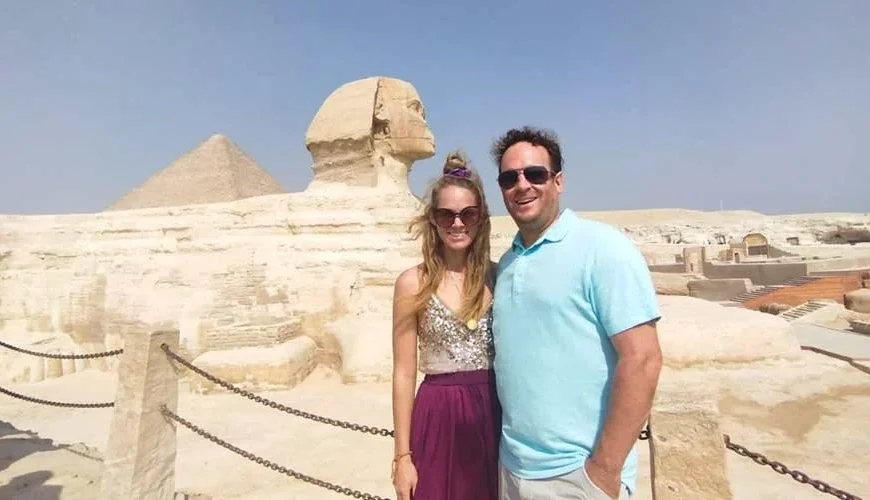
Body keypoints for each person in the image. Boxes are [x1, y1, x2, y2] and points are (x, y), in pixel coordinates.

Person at [489, 126, 663, 500]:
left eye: (535, 174)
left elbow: (643, 358)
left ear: (558, 181)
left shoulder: (603, 248)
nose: (522, 185)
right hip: (512, 470)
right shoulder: (506, 263)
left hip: (577, 475)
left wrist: (604, 469)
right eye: (509, 178)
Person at [390, 150, 501, 500]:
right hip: (437, 416)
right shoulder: (412, 283)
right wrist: (402, 457)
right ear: (432, 220)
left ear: (481, 218)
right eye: (446, 214)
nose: (457, 223)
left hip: (493, 415)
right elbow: (404, 373)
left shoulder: (499, 277)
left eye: (468, 213)